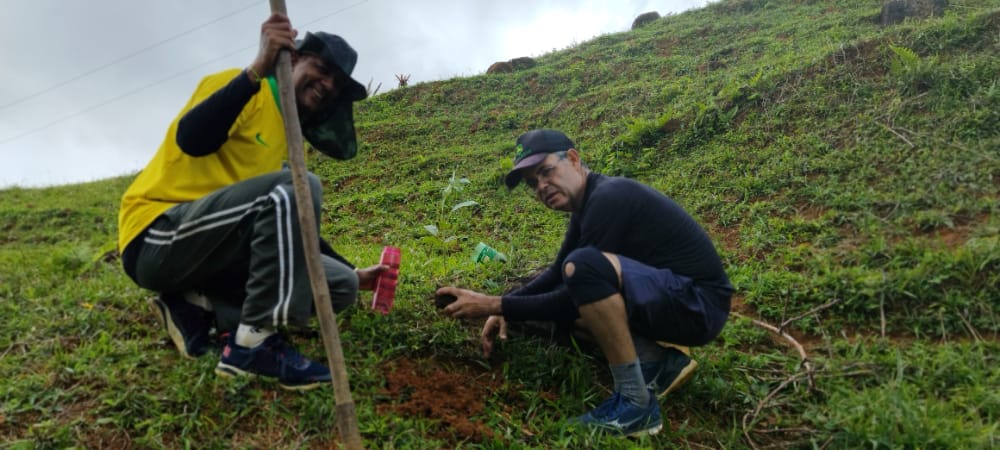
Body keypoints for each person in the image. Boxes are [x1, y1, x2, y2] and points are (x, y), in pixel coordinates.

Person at [117, 13, 386, 391]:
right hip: (160, 235)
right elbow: (192, 139)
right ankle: (253, 342)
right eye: (322, 69)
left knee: (339, 285)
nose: (327, 85)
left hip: (215, 249)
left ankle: (195, 304)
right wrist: (256, 69)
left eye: (336, 83)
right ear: (292, 59)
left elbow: (293, 225)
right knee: (299, 187)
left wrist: (353, 269)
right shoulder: (241, 87)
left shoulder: (287, 132)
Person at [436, 129, 733, 436]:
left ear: (574, 159)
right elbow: (554, 275)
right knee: (573, 275)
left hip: (699, 306)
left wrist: (493, 304)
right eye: (532, 183)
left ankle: (635, 403)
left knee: (581, 269)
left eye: (546, 171)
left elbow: (572, 293)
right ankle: (658, 363)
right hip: (675, 299)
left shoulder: (608, 197)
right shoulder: (587, 205)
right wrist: (504, 305)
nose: (541, 186)